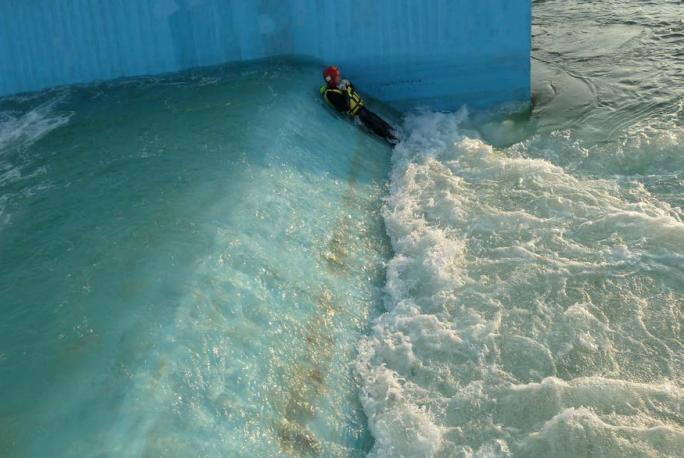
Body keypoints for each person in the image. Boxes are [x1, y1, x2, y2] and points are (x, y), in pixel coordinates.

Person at [319, 66, 397, 144]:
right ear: (332, 81)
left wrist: (349, 84)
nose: (340, 77)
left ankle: (398, 137)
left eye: (339, 75)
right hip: (358, 116)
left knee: (386, 126)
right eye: (337, 77)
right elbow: (346, 107)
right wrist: (344, 91)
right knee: (381, 130)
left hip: (364, 110)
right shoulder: (331, 94)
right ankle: (395, 143)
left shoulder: (339, 86)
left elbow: (352, 92)